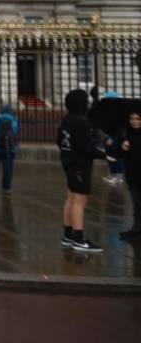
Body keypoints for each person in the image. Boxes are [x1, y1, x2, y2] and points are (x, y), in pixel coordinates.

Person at [58, 88, 105, 253]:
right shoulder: (80, 122)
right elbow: (86, 147)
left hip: (68, 162)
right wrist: (104, 155)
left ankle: (68, 234)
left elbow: (60, 141)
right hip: (80, 165)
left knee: (70, 198)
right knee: (79, 201)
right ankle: (78, 238)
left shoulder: (66, 120)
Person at [117, 111, 141, 239]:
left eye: (137, 119)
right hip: (132, 174)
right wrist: (123, 147)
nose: (134, 121)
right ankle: (137, 228)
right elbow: (120, 154)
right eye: (132, 119)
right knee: (136, 202)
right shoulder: (126, 135)